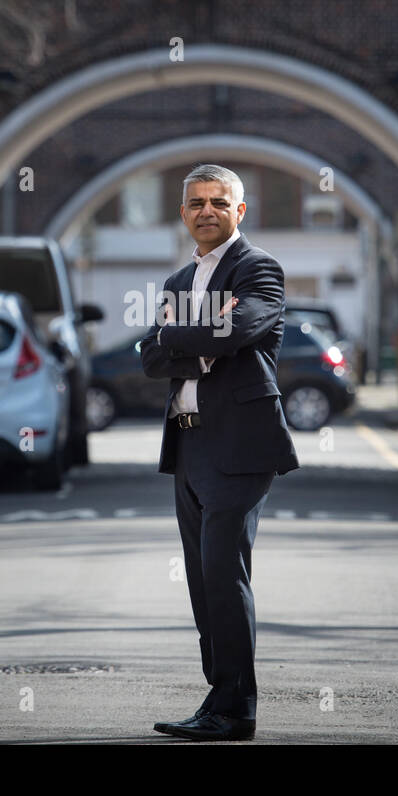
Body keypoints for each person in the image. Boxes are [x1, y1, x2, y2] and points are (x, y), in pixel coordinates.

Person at [139, 164, 299, 741]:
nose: (207, 211)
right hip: (188, 441)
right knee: (202, 579)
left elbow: (236, 333)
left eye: (219, 201)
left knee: (223, 572)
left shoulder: (258, 268)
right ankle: (221, 693)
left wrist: (175, 337)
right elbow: (149, 358)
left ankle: (236, 707)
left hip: (240, 443)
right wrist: (190, 340)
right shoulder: (180, 281)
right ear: (183, 214)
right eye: (196, 203)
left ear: (240, 211)